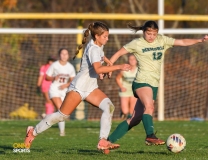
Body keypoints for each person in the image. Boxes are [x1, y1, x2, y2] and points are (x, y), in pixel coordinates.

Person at [24, 22, 131, 151]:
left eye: (108, 36)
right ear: (97, 36)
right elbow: (97, 69)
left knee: (109, 107)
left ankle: (103, 140)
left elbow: (101, 57)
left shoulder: (98, 46)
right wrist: (119, 66)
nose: (107, 39)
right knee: (62, 116)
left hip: (91, 88)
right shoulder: (93, 49)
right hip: (79, 87)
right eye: (105, 36)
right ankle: (33, 132)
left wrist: (108, 65)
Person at [107, 21, 208, 146]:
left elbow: (182, 42)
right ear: (143, 32)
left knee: (135, 119)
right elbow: (118, 53)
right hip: (142, 82)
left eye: (154, 34)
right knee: (149, 107)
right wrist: (109, 68)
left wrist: (199, 40)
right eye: (148, 33)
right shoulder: (137, 43)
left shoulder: (162, 40)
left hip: (153, 84)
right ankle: (150, 135)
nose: (151, 36)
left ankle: (107, 142)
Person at [45, 48, 76, 136]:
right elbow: (47, 77)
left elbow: (73, 80)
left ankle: (46, 118)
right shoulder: (54, 65)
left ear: (68, 55)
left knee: (63, 113)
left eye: (66, 54)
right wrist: (53, 78)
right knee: (61, 109)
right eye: (62, 54)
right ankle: (62, 133)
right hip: (54, 89)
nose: (64, 56)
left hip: (64, 91)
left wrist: (66, 85)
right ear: (59, 55)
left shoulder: (70, 67)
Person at [116, 54, 138, 119]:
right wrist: (121, 87)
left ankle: (129, 123)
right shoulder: (124, 70)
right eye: (130, 59)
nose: (132, 61)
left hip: (134, 91)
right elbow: (117, 78)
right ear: (128, 60)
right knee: (125, 111)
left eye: (133, 59)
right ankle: (122, 112)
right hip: (125, 91)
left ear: (136, 61)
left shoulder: (139, 70)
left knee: (132, 110)